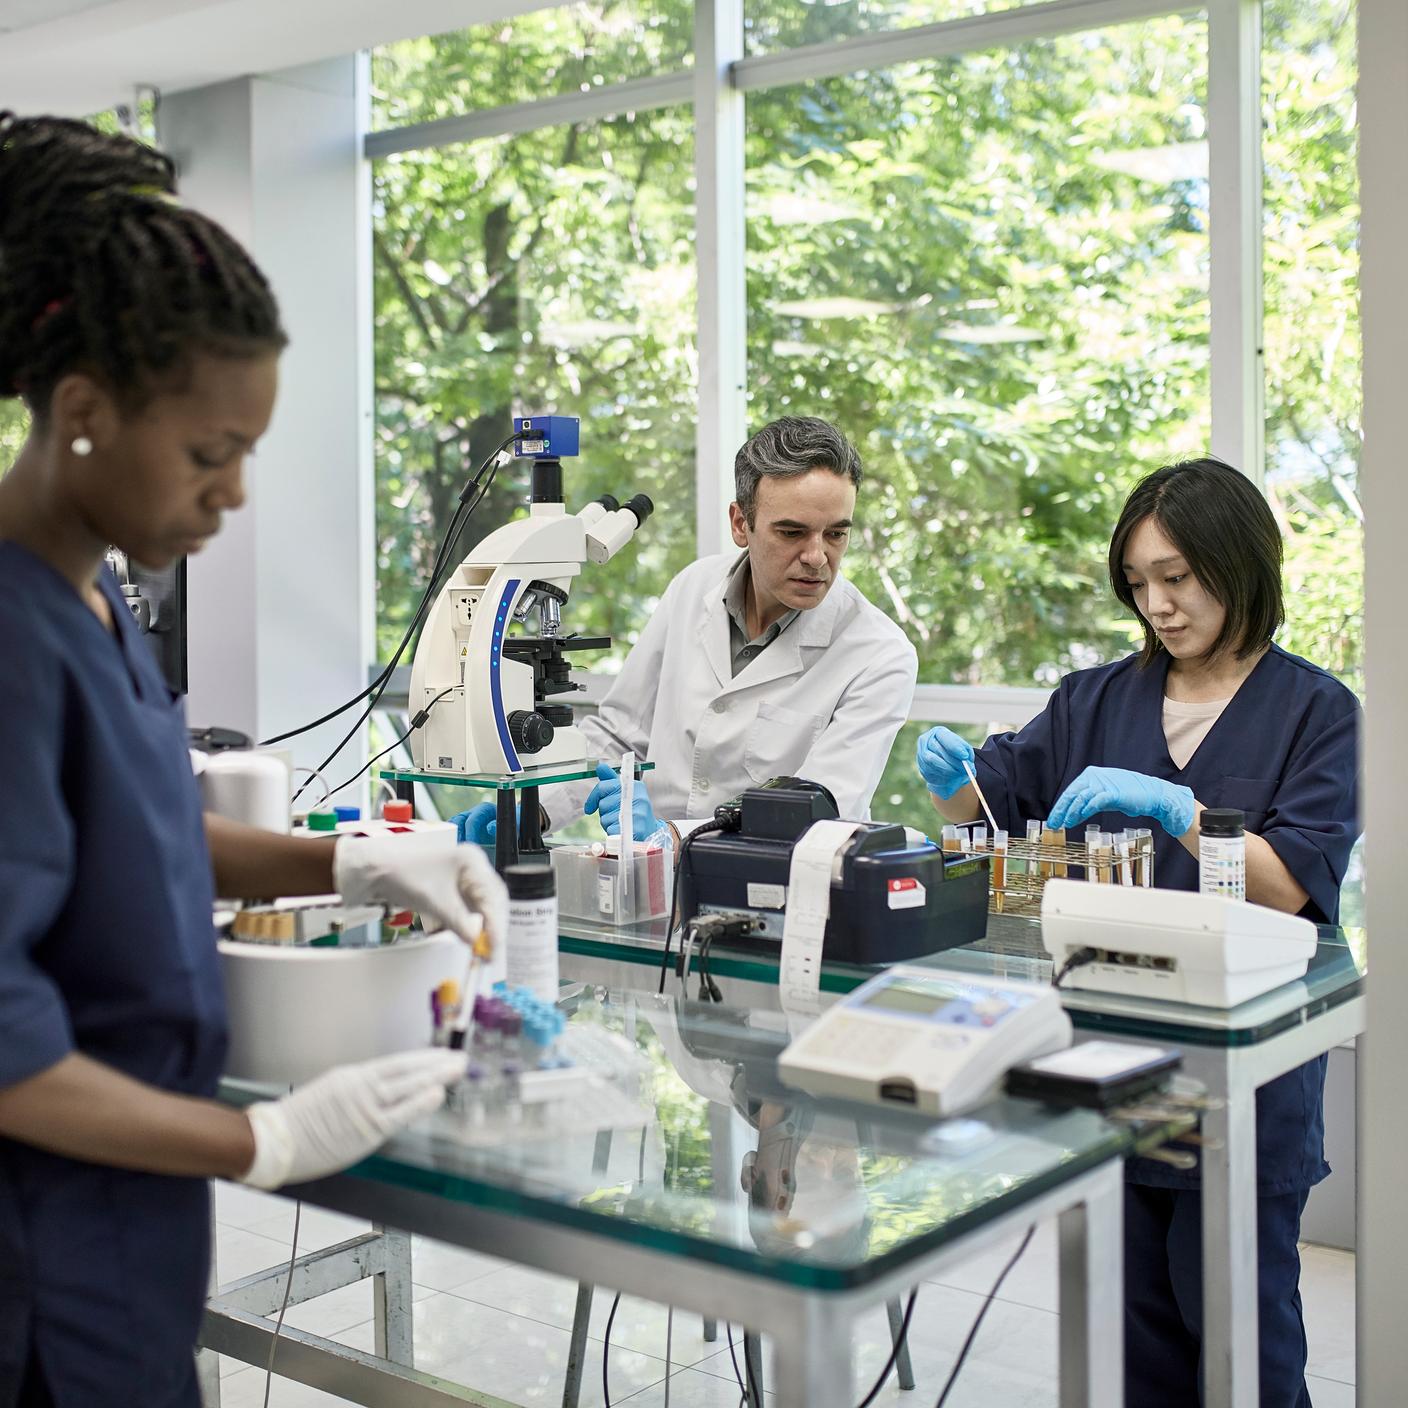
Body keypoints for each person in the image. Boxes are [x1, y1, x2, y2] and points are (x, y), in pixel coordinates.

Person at [0, 113, 506, 1407]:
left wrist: (358, 861)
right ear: (83, 411)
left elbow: (149, 828)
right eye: (209, 455)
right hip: (37, 1260)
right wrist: (260, 1138)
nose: (231, 497)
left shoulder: (95, 600)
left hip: (128, 1226)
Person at [915, 456, 1359, 1407]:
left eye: (1177, 577)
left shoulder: (1319, 713)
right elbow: (987, 812)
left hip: (1243, 1077)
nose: (1156, 604)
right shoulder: (1094, 700)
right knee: (1135, 1335)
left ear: (1241, 564)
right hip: (1105, 1059)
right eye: (1138, 583)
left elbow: (1289, 889)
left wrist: (1176, 807)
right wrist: (949, 776)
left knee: (1240, 1330)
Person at [455, 416, 918, 845]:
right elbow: (619, 736)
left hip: (780, 895)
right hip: (651, 884)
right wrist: (530, 813)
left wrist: (673, 835)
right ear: (741, 524)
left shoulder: (878, 654)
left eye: (836, 534)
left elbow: (820, 811)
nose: (817, 557)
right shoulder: (693, 587)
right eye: (792, 533)